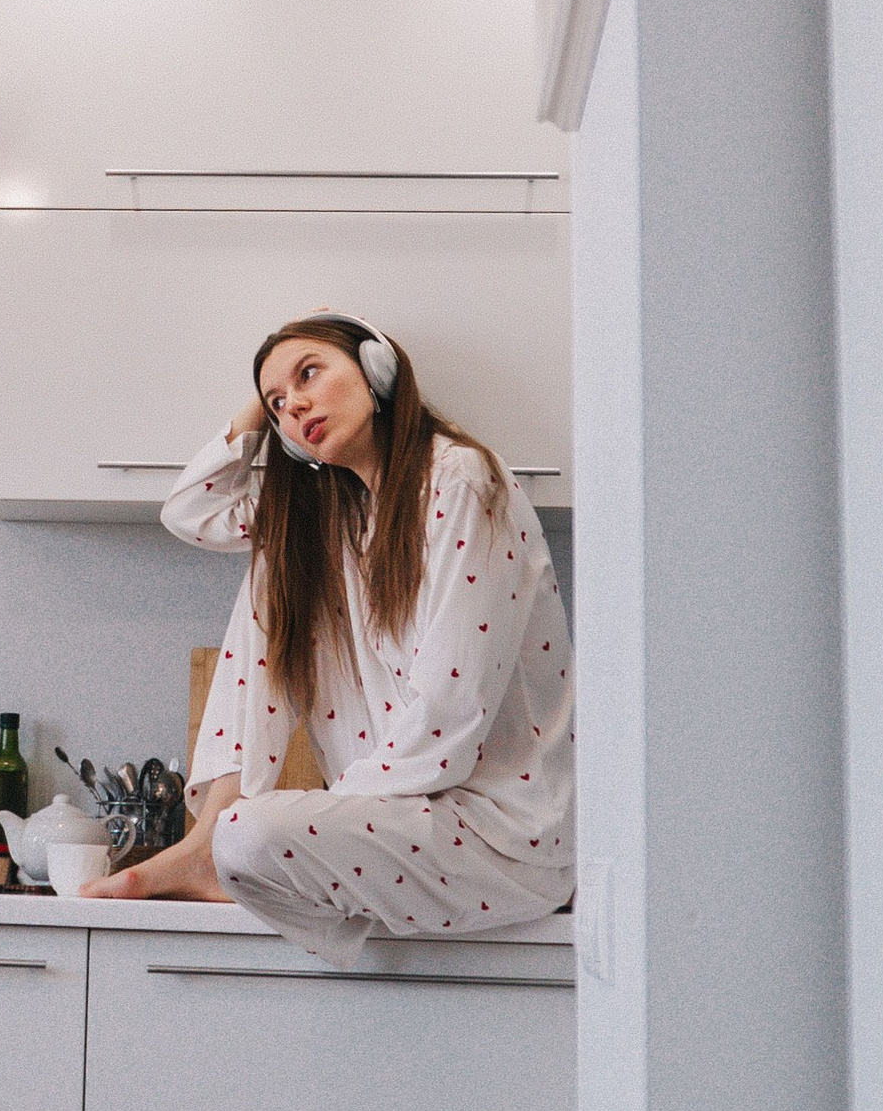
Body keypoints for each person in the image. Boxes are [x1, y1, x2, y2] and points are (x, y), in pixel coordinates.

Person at [89, 311, 572, 965]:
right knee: (282, 560)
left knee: (249, 836)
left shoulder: (460, 479)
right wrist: (262, 406)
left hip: (504, 843)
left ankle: (220, 844)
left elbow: (448, 712)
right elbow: (190, 511)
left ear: (378, 368)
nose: (293, 406)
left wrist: (317, 821)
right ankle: (206, 843)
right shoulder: (342, 519)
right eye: (278, 404)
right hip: (394, 826)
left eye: (310, 374)